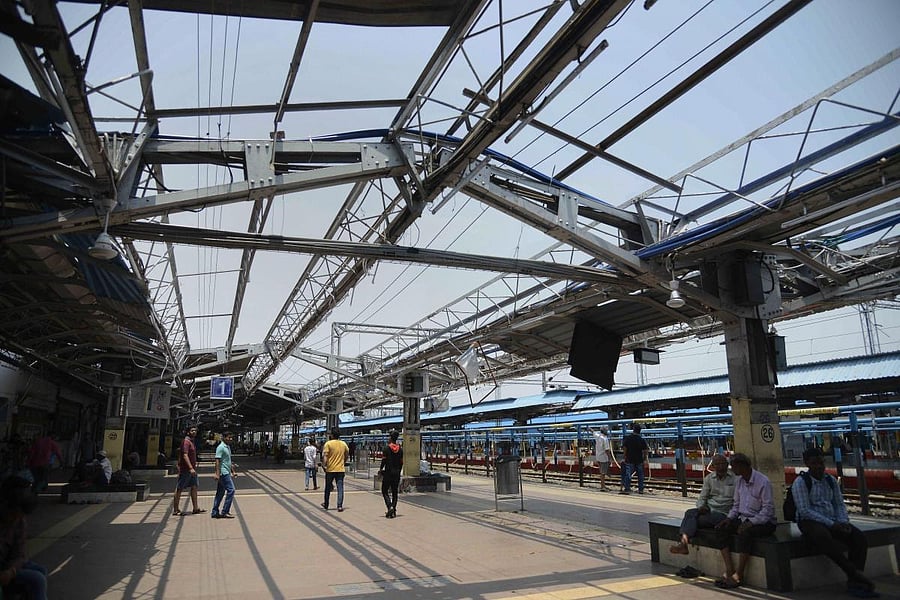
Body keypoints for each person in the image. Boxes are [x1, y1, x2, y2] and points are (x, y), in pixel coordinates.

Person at [793, 447, 876, 598]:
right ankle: (853, 573)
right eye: (814, 463)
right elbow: (804, 511)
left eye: (821, 462)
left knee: (859, 538)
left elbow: (839, 504)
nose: (819, 466)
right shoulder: (800, 483)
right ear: (807, 464)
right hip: (810, 522)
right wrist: (831, 524)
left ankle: (855, 580)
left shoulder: (830, 481)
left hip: (833, 520)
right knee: (823, 537)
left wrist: (843, 521)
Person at [713, 452, 776, 589]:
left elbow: (768, 510)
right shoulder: (740, 482)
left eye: (734, 466)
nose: (732, 469)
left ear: (742, 466)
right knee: (720, 530)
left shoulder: (763, 482)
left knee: (745, 534)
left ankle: (739, 574)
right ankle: (729, 568)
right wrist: (729, 519)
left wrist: (751, 523)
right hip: (743, 517)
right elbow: (736, 505)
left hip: (763, 521)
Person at [669, 454, 735, 554]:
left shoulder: (735, 479)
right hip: (709, 510)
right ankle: (684, 542)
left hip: (724, 513)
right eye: (718, 464)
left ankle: (683, 543)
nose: (721, 467)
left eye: (723, 464)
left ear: (727, 465)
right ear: (713, 466)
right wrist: (701, 507)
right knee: (690, 512)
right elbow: (702, 497)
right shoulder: (709, 479)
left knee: (693, 519)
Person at [0, 476, 48, 600]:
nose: (17, 517)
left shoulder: (19, 520)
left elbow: (19, 554)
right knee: (37, 580)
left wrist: (11, 571)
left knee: (40, 571)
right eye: (15, 512)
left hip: (6, 563)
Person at [172, 426, 205, 516]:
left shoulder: (191, 441)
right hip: (186, 469)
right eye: (192, 430)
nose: (194, 432)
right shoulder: (186, 442)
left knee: (194, 487)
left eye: (195, 430)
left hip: (192, 470)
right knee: (179, 488)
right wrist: (190, 468)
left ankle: (195, 508)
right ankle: (176, 510)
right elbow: (185, 455)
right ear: (188, 432)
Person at [321, 427, 349, 512]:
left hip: (330, 469)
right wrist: (343, 462)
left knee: (328, 487)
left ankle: (326, 504)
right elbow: (347, 455)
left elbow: (325, 456)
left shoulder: (328, 444)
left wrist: (324, 465)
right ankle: (339, 506)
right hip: (340, 469)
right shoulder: (343, 444)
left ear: (332, 435)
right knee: (340, 488)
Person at [211, 432, 237, 519]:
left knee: (220, 493)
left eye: (231, 438)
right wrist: (217, 474)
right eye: (229, 438)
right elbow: (217, 461)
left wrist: (233, 471)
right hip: (223, 473)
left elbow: (228, 461)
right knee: (231, 490)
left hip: (226, 471)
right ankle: (225, 511)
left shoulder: (228, 447)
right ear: (224, 438)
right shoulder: (221, 447)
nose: (230, 439)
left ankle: (215, 512)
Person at [378, 430, 403, 518]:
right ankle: (393, 510)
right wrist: (399, 471)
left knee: (384, 491)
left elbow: (384, 461)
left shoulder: (386, 448)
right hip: (396, 473)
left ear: (390, 438)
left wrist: (380, 469)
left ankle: (390, 507)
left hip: (388, 473)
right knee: (395, 492)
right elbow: (401, 463)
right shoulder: (400, 449)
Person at [620, 423, 648, 495]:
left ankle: (627, 488)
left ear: (633, 430)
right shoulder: (641, 440)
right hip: (639, 460)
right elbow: (645, 450)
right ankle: (641, 489)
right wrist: (644, 458)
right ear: (640, 431)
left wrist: (624, 456)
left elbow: (625, 448)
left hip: (629, 459)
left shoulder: (628, 438)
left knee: (628, 475)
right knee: (640, 476)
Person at [591, 426, 615, 492]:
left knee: (602, 471)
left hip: (598, 457)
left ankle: (603, 485)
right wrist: (610, 458)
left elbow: (593, 432)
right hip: (604, 458)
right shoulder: (605, 439)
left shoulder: (598, 436)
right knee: (603, 473)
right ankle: (602, 486)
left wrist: (590, 429)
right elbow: (607, 450)